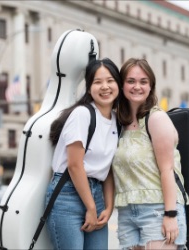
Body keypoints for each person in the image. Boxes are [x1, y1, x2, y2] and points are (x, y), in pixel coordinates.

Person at [46, 58, 122, 250]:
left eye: (110, 80)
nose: (105, 86)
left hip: (96, 195)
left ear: (118, 85)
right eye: (97, 82)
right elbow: (74, 165)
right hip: (67, 193)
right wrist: (91, 207)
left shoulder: (116, 121)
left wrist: (108, 206)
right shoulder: (82, 114)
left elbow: (108, 169)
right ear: (89, 88)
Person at [112, 58, 188, 250]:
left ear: (151, 87)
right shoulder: (120, 124)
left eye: (143, 82)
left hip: (158, 209)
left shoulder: (156, 118)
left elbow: (167, 170)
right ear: (121, 85)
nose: (137, 86)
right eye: (131, 81)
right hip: (127, 213)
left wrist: (170, 215)